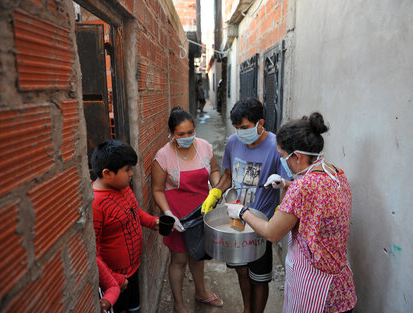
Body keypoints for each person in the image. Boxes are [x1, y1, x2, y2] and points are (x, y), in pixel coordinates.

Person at [226, 113, 357, 313]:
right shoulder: (335, 173)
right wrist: (287, 183)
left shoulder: (302, 188)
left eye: (281, 155)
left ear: (297, 156)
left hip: (314, 281)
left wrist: (242, 211)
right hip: (340, 283)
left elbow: (272, 232)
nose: (282, 160)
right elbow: (316, 197)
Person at [201, 97, 288, 313]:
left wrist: (280, 210)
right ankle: (247, 309)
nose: (241, 132)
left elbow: (290, 185)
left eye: (245, 127)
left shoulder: (276, 147)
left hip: (261, 226)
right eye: (237, 128)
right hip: (236, 223)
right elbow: (228, 175)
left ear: (261, 123)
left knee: (259, 279)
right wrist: (216, 192)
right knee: (241, 271)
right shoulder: (232, 142)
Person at [152, 106, 223, 313]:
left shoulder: (205, 147)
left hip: (201, 210)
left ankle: (201, 292)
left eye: (190, 132)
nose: (187, 137)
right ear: (171, 134)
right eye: (181, 134)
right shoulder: (163, 156)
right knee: (179, 259)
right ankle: (179, 304)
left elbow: (215, 171)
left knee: (198, 254)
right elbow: (157, 190)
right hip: (177, 215)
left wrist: (216, 190)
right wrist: (168, 214)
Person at [92, 140, 159, 313]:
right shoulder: (96, 204)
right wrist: (114, 280)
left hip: (133, 270)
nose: (131, 174)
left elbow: (135, 213)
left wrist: (154, 222)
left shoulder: (123, 187)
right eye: (127, 169)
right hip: (114, 279)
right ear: (107, 173)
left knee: (134, 307)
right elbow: (93, 254)